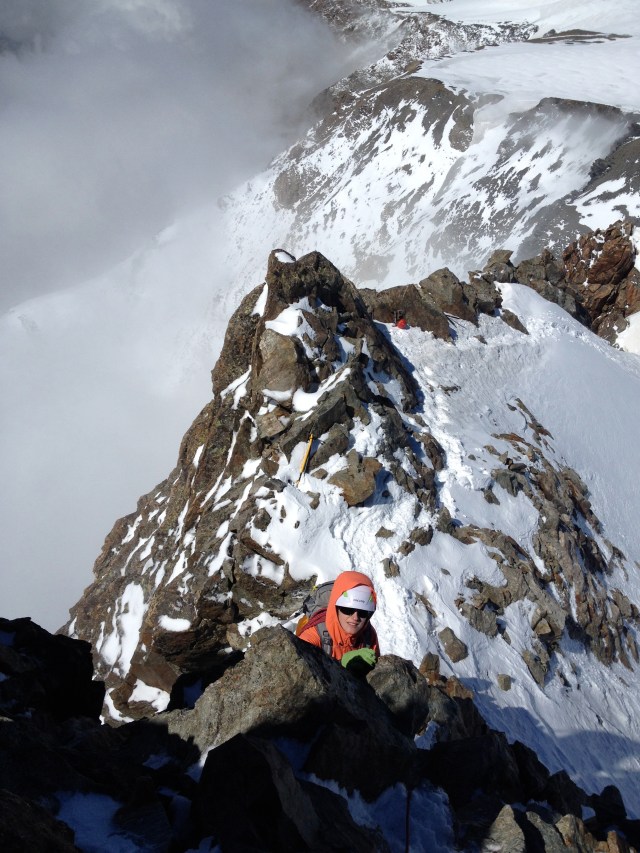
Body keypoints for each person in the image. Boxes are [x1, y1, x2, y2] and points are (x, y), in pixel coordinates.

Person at [299, 570, 380, 673]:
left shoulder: (368, 634)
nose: (355, 617)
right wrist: (341, 664)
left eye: (363, 612)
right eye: (348, 610)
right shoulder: (314, 635)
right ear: (335, 608)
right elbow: (301, 674)